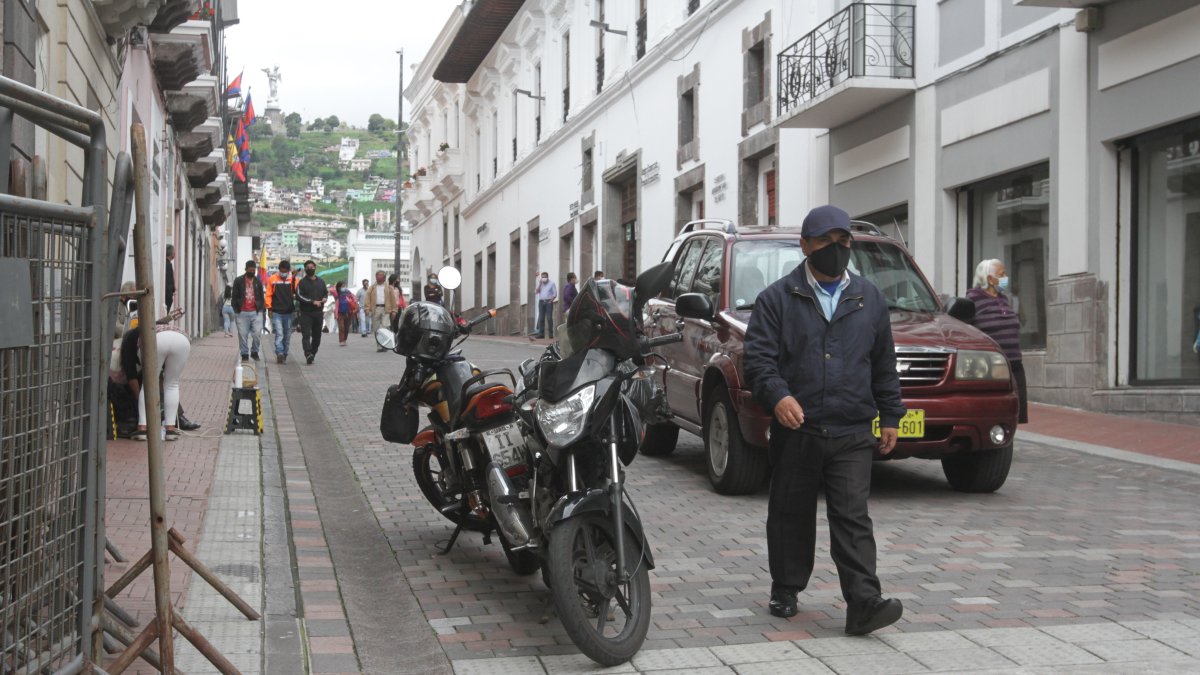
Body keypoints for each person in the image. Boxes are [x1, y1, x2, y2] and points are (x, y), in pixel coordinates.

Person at [743, 205, 907, 635]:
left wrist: (890, 414)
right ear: (805, 246)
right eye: (825, 242)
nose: (835, 250)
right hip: (799, 428)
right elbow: (759, 362)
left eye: (843, 241)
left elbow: (883, 363)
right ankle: (786, 586)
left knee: (852, 517)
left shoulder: (868, 298)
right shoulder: (777, 298)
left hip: (852, 428)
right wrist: (778, 396)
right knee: (790, 513)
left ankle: (864, 603)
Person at [967, 259, 1027, 423]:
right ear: (990, 279)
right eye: (1002, 274)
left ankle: (1008, 444)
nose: (1005, 278)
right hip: (993, 367)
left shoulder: (1004, 299)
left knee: (1016, 412)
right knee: (996, 413)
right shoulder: (973, 299)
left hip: (1015, 364)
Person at [119, 317, 192, 442]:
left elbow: (131, 375)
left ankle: (142, 428)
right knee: (172, 384)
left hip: (156, 340)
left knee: (147, 384)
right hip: (182, 339)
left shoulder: (128, 341)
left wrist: (142, 401)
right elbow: (161, 380)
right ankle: (170, 429)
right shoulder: (150, 329)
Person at [231, 260, 264, 362]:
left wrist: (261, 309)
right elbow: (234, 296)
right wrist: (236, 310)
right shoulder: (238, 281)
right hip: (242, 312)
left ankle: (254, 352)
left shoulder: (258, 282)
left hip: (256, 312)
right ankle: (244, 354)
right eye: (250, 270)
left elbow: (261, 297)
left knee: (257, 333)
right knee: (243, 334)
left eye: (254, 270)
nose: (252, 272)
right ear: (246, 269)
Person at [266, 260, 299, 364]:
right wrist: (269, 308)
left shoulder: (294, 279)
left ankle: (284, 354)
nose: (283, 273)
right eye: (281, 271)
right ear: (279, 270)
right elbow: (268, 295)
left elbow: (296, 292)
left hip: (289, 313)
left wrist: (293, 279)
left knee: (287, 335)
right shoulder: (273, 279)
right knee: (279, 333)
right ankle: (279, 352)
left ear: (288, 271)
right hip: (277, 312)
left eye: (285, 271)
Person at [296, 260, 328, 364]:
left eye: (312, 267)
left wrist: (324, 299)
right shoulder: (302, 282)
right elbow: (299, 296)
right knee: (306, 335)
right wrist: (312, 302)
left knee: (317, 337)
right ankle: (308, 353)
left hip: (318, 313)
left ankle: (313, 353)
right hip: (306, 313)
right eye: (308, 267)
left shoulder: (321, 282)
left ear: (315, 268)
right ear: (305, 269)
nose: (310, 269)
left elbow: (325, 293)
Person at [366, 271, 400, 351]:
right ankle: (379, 346)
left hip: (386, 309)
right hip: (375, 309)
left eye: (380, 276)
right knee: (376, 329)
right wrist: (367, 309)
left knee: (385, 327)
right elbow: (367, 299)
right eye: (377, 276)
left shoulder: (389, 288)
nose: (378, 278)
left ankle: (385, 345)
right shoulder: (371, 288)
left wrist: (394, 310)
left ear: (384, 278)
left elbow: (393, 300)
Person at [532, 271, 557, 339]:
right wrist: (539, 284)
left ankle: (551, 334)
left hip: (548, 302)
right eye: (542, 277)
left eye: (544, 277)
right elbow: (536, 292)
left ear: (547, 277)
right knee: (541, 318)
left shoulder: (552, 283)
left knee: (549, 318)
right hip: (541, 302)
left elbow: (555, 294)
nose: (543, 278)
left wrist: (551, 301)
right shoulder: (540, 283)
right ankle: (541, 334)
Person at [334, 280, 358, 346]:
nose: (343, 287)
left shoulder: (348, 292)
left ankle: (344, 339)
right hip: (340, 313)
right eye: (342, 286)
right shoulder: (336, 293)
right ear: (338, 287)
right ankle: (341, 340)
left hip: (348, 312)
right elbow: (330, 290)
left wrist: (352, 302)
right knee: (341, 327)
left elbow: (355, 299)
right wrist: (335, 286)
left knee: (346, 328)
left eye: (344, 286)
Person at [164, 244, 177, 314]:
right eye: (174, 252)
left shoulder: (167, 263)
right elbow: (169, 281)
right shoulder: (168, 265)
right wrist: (170, 294)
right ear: (171, 253)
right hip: (167, 296)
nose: (175, 254)